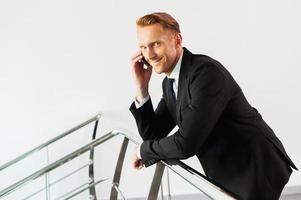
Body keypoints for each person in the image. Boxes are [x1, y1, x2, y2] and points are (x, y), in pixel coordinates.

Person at [129, 12, 297, 200]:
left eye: (156, 44)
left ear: (177, 40)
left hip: (254, 166)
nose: (149, 54)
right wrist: (141, 87)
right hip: (227, 170)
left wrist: (142, 150)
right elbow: (153, 135)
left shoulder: (205, 73)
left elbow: (185, 144)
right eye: (143, 47)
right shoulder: (170, 83)